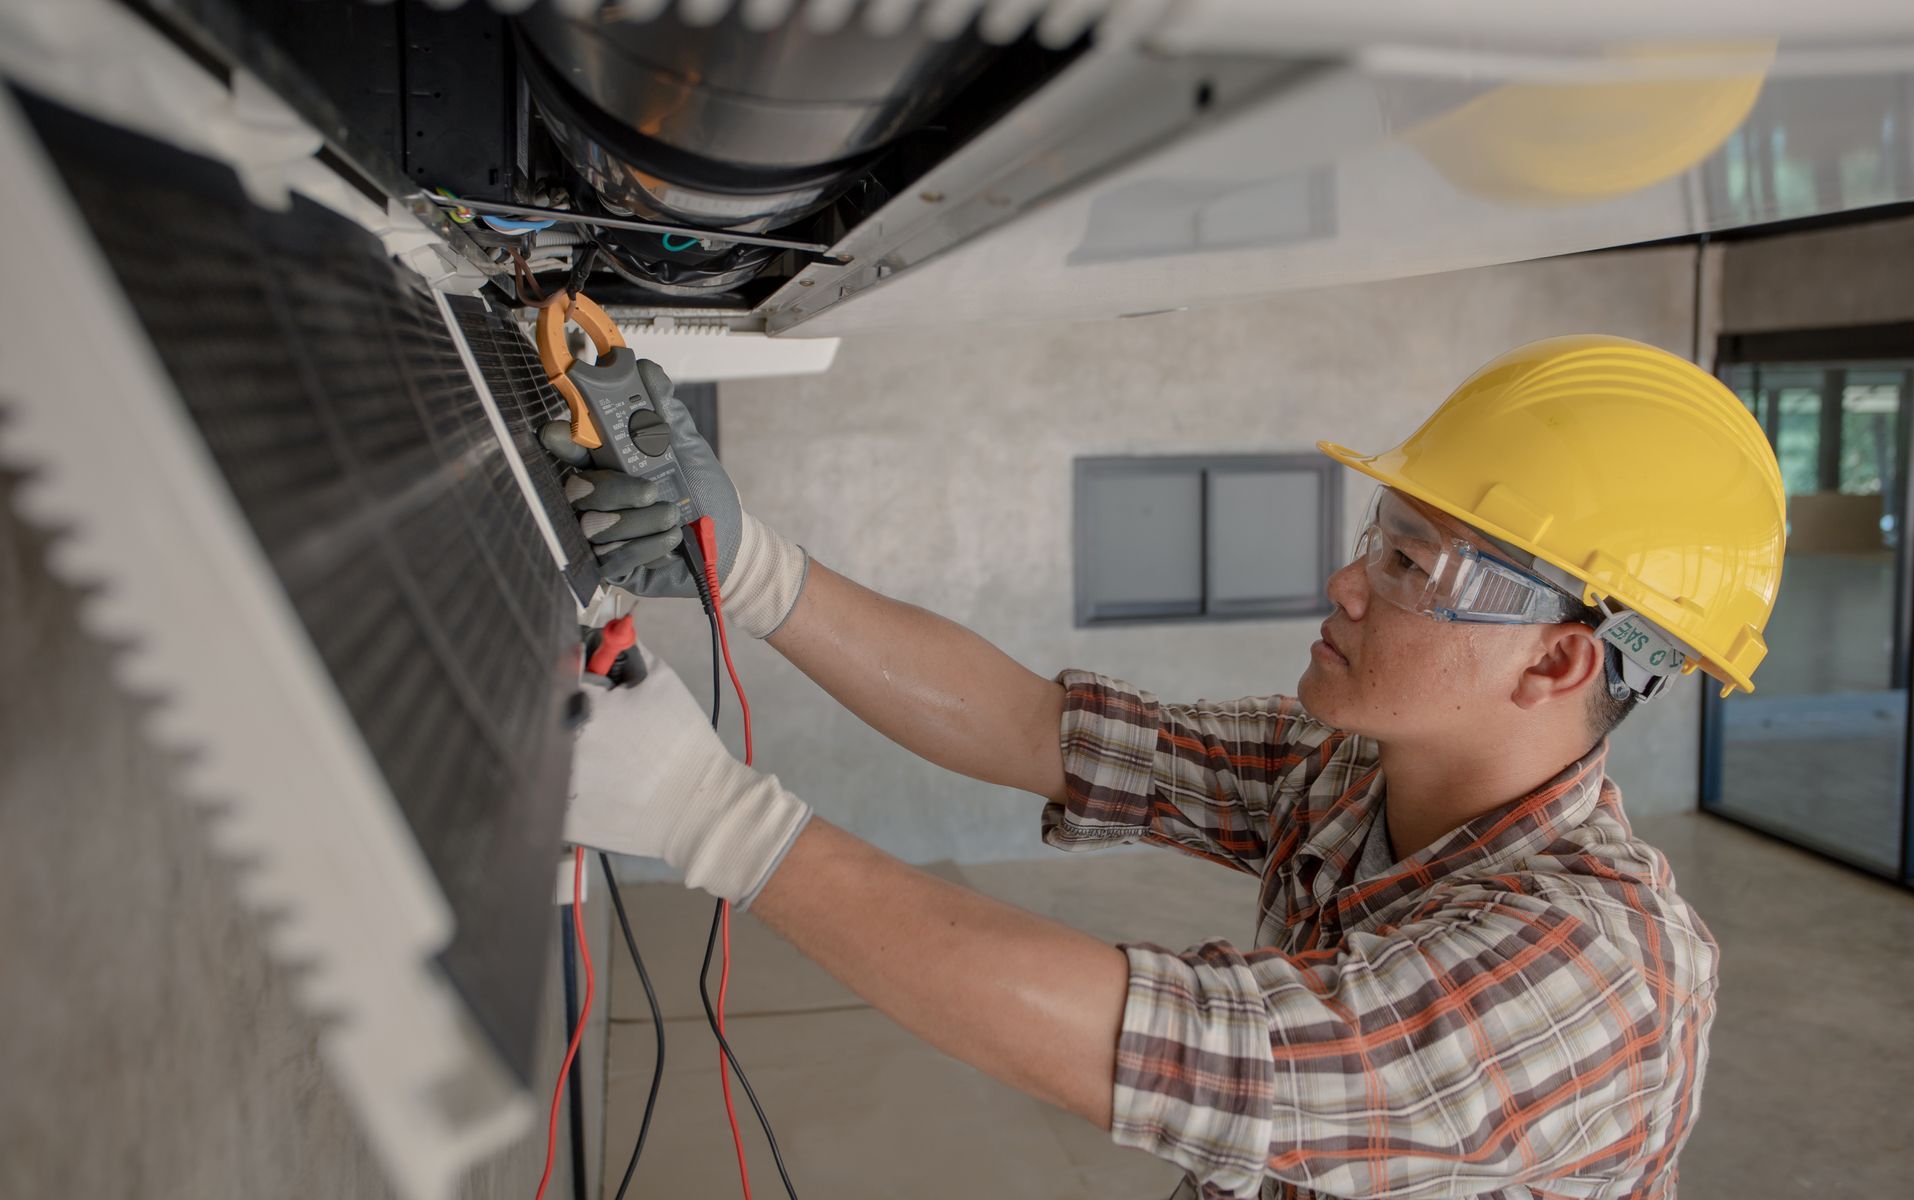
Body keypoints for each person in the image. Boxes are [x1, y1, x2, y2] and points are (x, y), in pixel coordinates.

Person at [549, 334, 1785, 1199]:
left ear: (1562, 663)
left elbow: (1180, 1054)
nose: (1346, 583)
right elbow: (1052, 732)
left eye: (1413, 566)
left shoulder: (1598, 968)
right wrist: (753, 562)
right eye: (1381, 538)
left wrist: (710, 815)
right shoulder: (1352, 770)